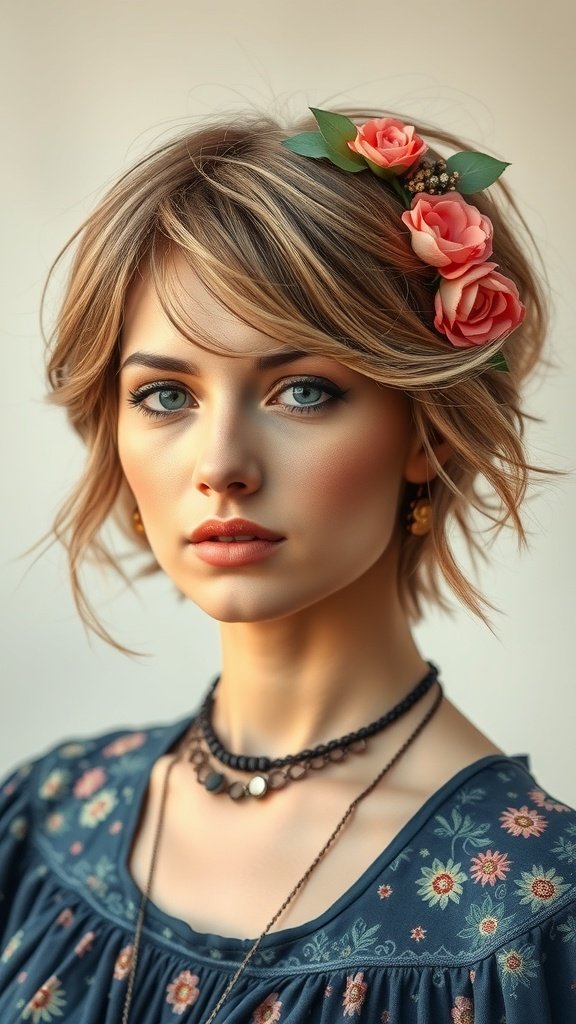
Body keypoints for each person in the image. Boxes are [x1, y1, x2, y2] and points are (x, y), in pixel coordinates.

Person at [0, 106, 574, 1024]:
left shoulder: (534, 912)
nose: (221, 464)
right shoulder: (44, 819)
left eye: (302, 390)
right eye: (165, 395)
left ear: (427, 430)